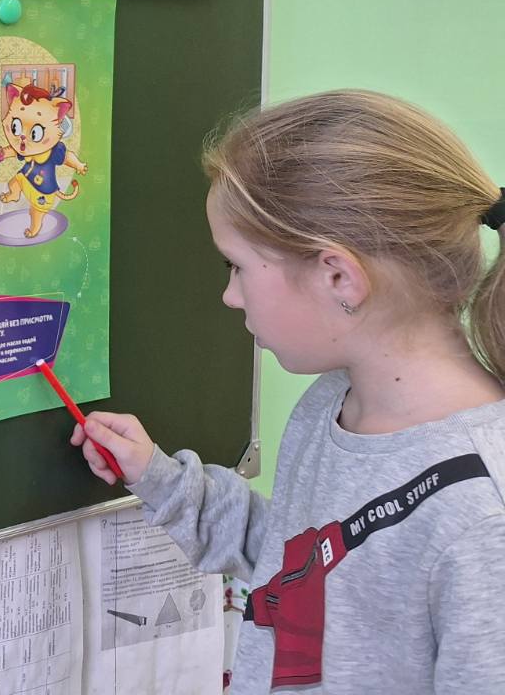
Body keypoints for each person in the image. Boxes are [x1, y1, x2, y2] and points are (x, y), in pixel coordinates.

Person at [70, 91, 505, 693]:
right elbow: (300, 571)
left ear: (338, 277)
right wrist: (162, 479)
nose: (230, 295)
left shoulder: (482, 516)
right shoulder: (334, 403)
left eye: (237, 266)